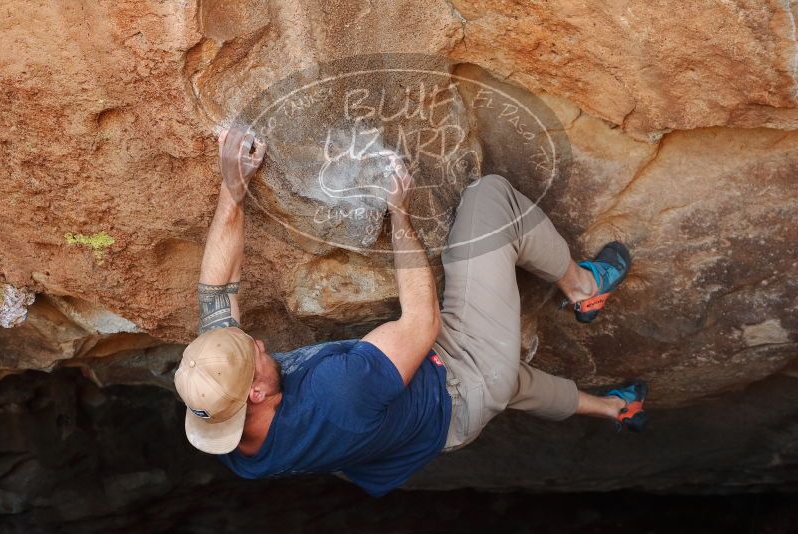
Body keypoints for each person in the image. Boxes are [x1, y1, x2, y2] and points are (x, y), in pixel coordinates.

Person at [174, 127, 648, 497]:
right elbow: (422, 323)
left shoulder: (225, 422)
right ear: (256, 393)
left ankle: (614, 409)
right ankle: (584, 286)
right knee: (490, 199)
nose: (256, 343)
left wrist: (232, 189)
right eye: (253, 354)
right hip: (462, 379)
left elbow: (216, 291)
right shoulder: (336, 394)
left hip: (425, 426)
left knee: (514, 384)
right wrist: (400, 216)